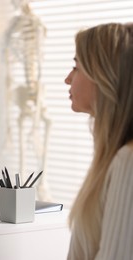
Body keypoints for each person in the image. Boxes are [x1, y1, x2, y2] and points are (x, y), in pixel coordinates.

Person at [64, 23, 133, 259]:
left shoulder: (128, 162)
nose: (67, 79)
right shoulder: (112, 156)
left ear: (105, 75)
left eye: (76, 67)